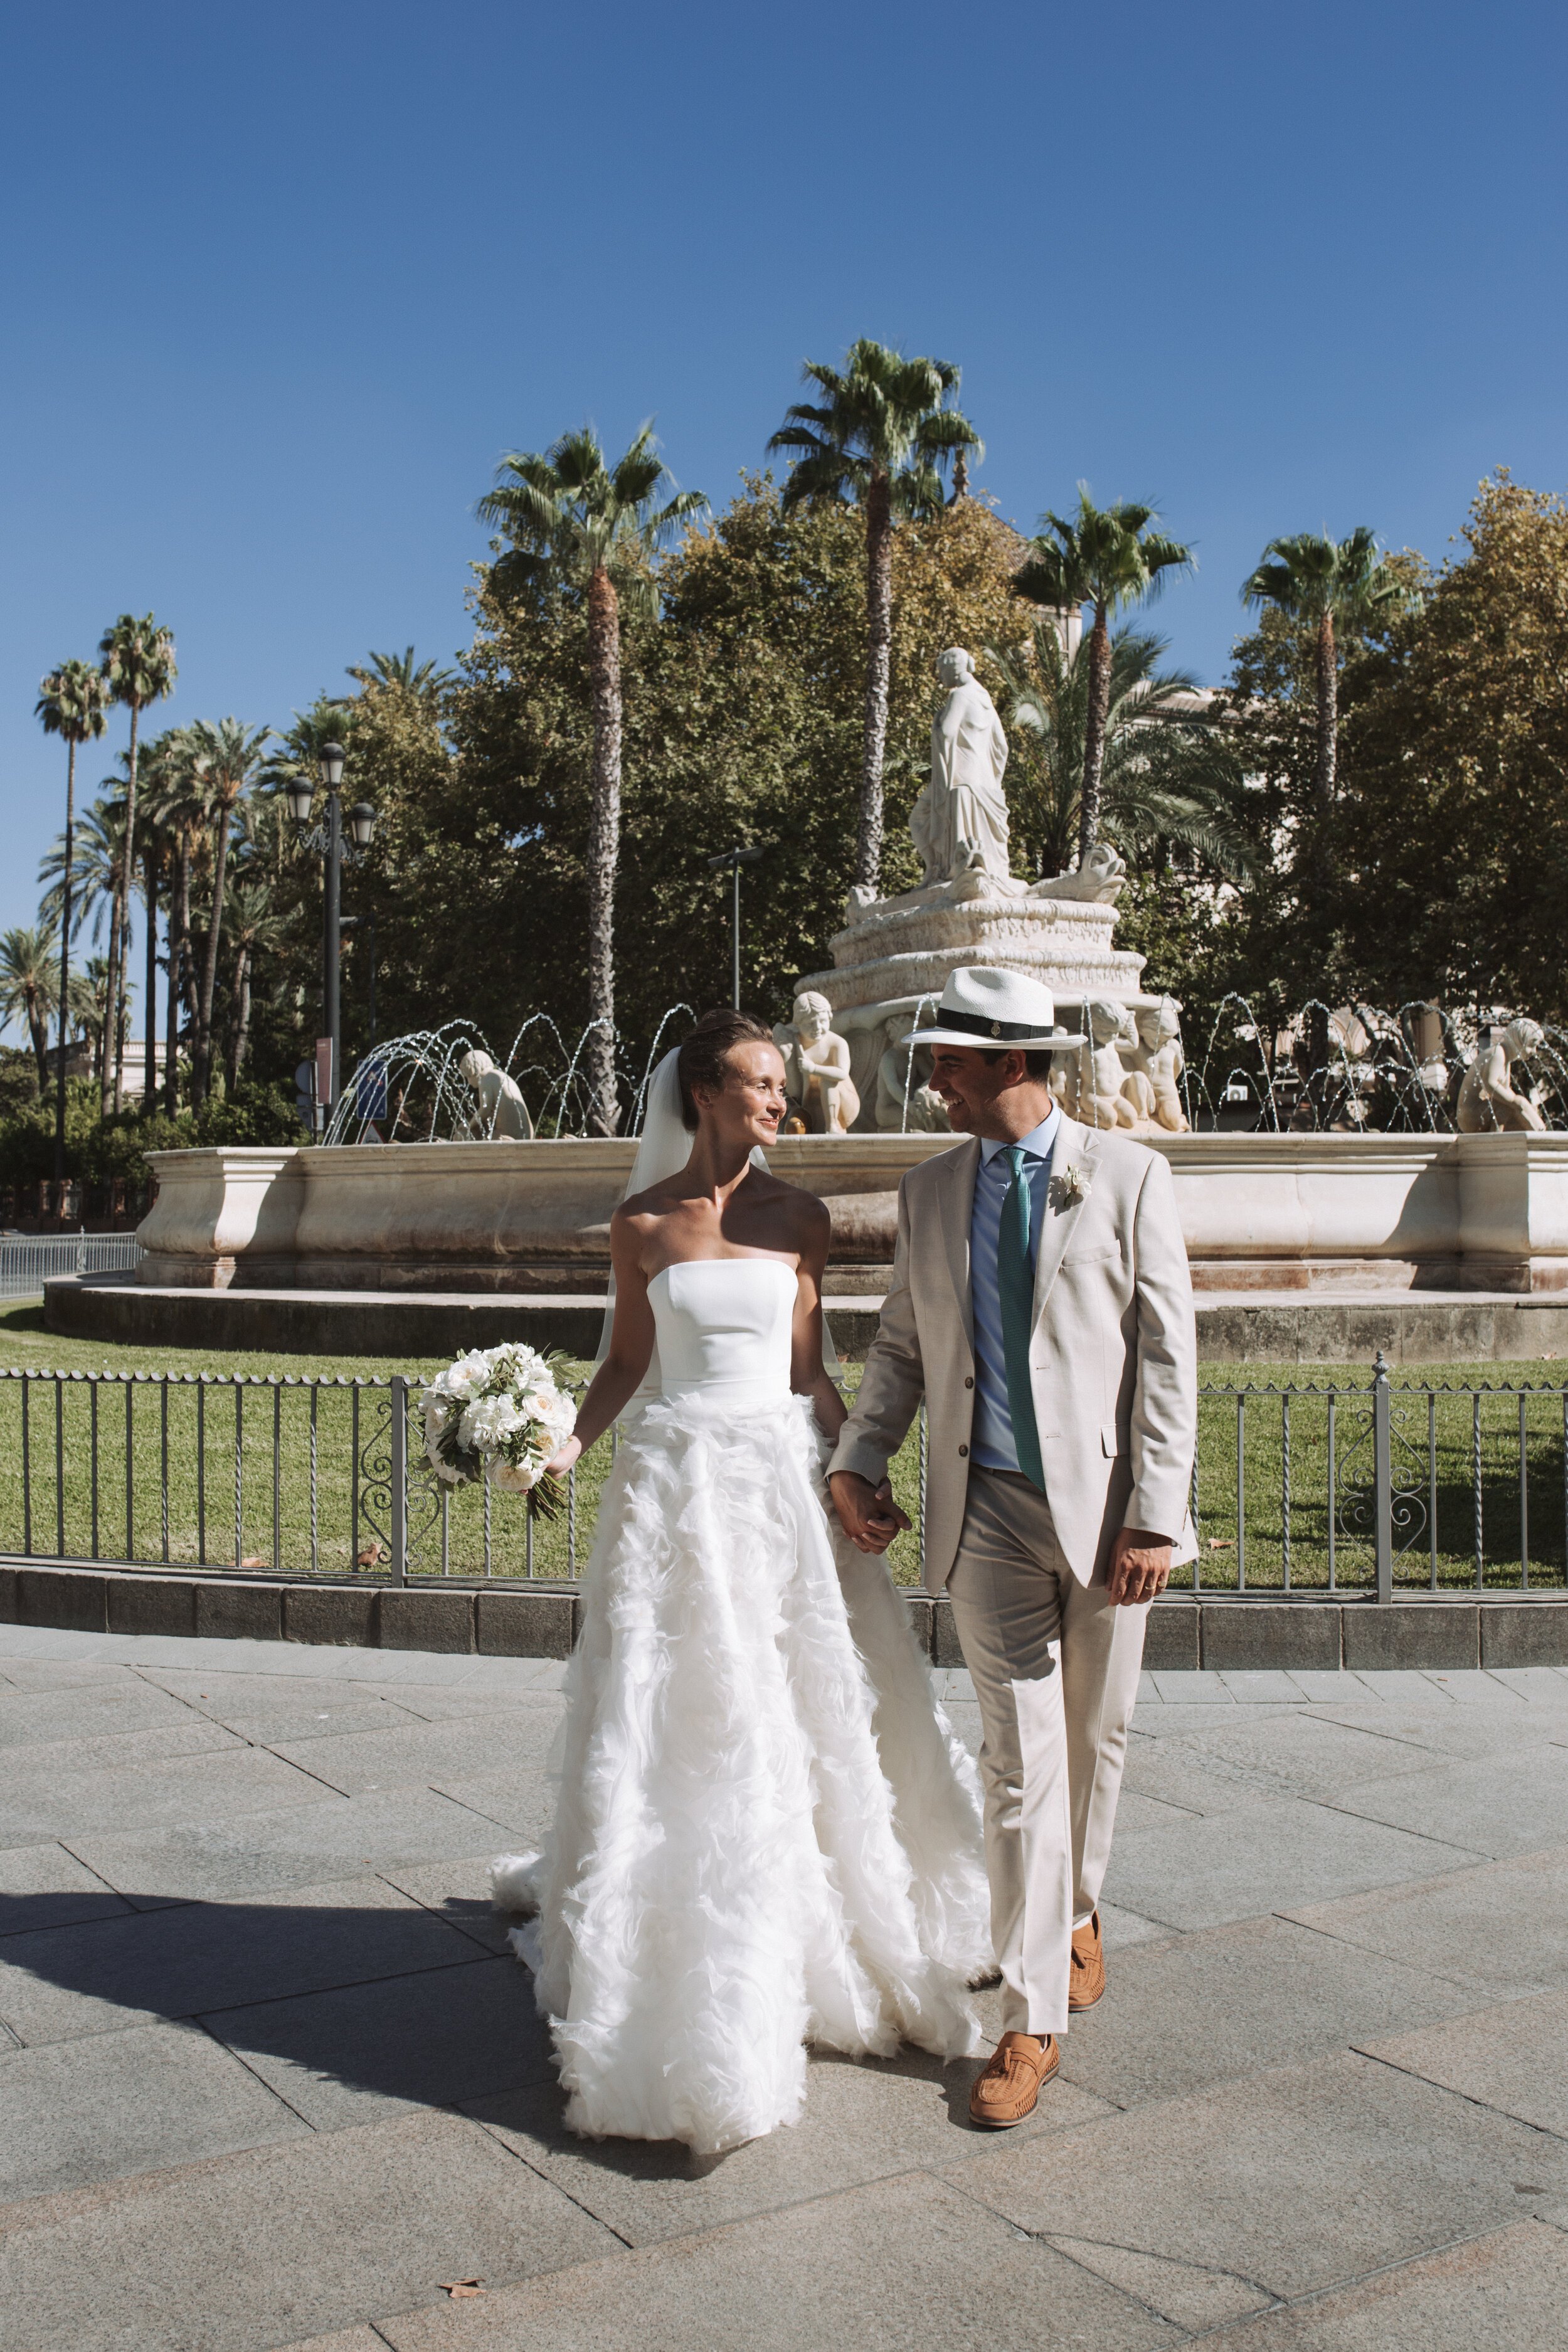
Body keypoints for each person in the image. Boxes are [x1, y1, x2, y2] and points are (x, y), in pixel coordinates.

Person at [492, 1009, 992, 2155]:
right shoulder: (641, 1222)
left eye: (783, 1085)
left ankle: (836, 1914)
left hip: (776, 1484)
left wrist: (857, 1471)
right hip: (677, 1491)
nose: (782, 1099)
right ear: (705, 1092)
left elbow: (814, 1374)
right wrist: (563, 1447)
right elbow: (628, 1359)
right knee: (695, 1716)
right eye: (762, 1083)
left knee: (811, 1696)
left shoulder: (800, 1217)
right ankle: (687, 1945)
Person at [828, 967, 1196, 2129]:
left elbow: (1169, 1357)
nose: (932, 1076)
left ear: (1011, 1063)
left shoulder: (1131, 1175)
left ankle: (1075, 1909)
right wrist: (859, 1451)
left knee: (1098, 1738)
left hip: (1105, 1513)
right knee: (1020, 1758)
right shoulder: (931, 1189)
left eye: (949, 1059)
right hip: (981, 1506)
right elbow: (902, 1341)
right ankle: (1033, 2014)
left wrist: (1157, 1514)